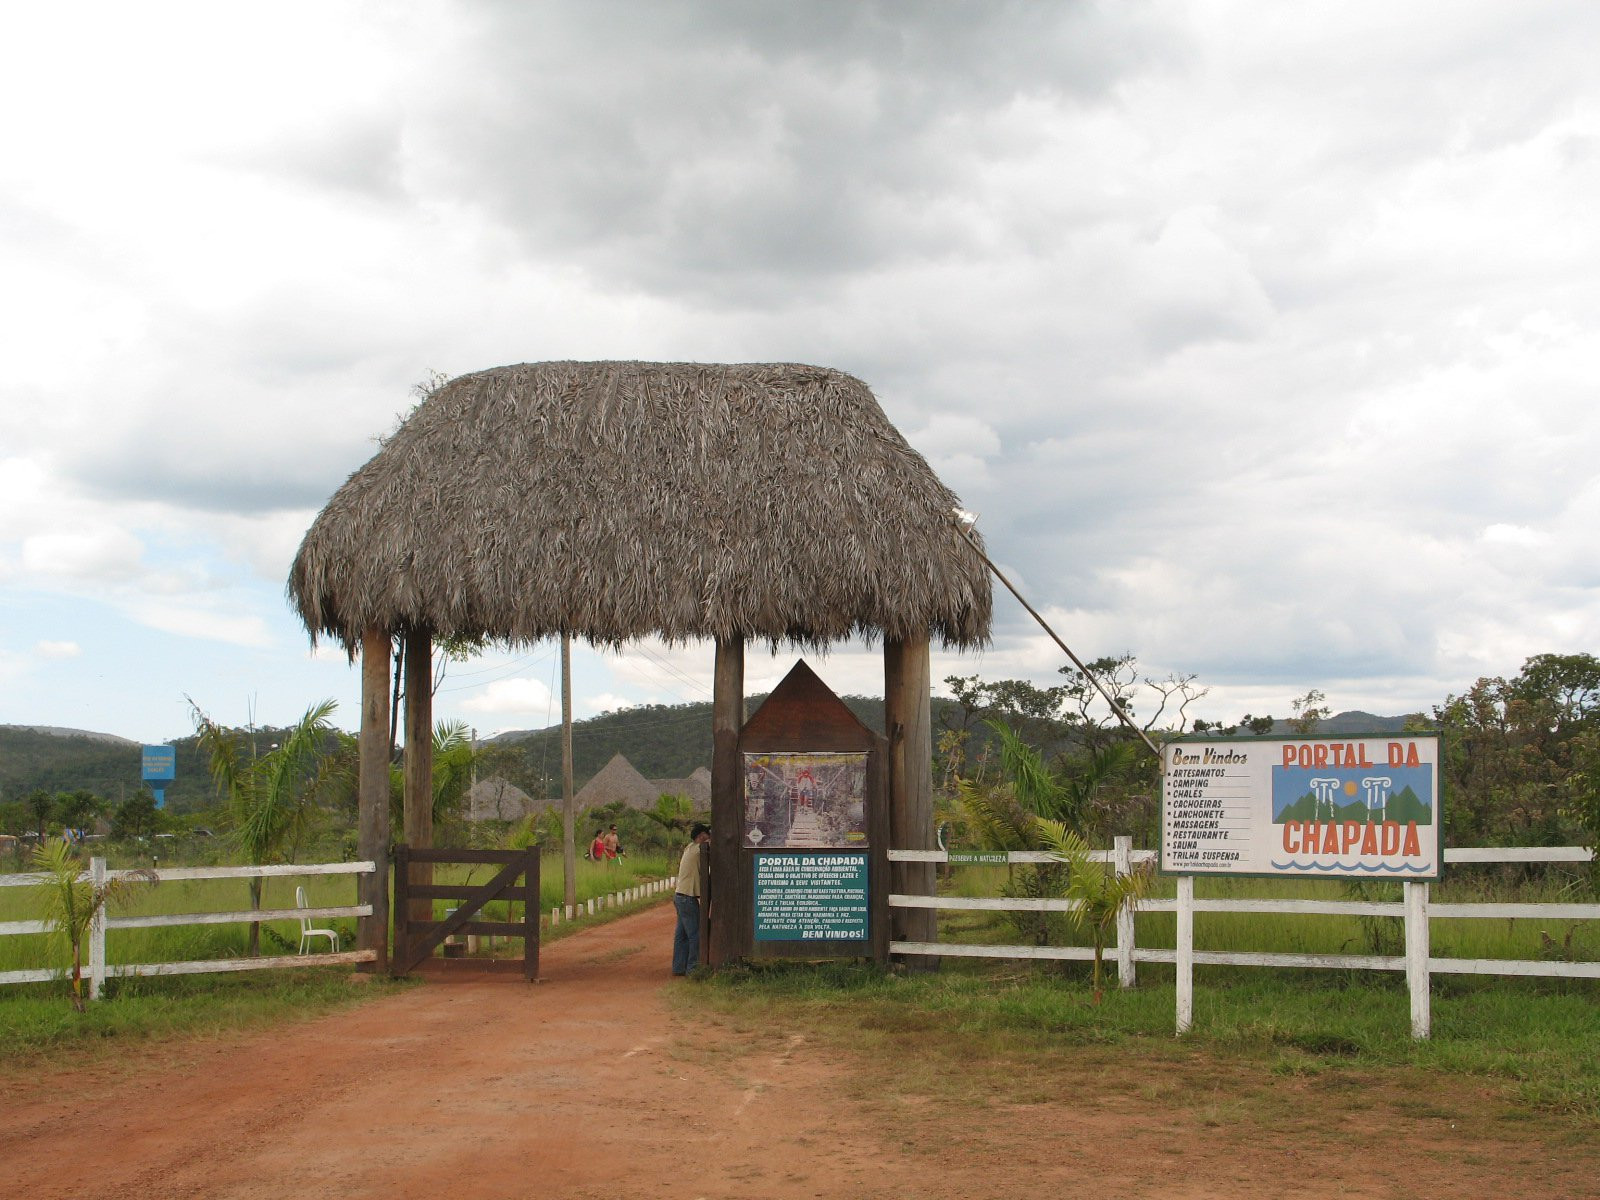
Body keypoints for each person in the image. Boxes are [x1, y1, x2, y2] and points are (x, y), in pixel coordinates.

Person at [672, 822, 711, 976]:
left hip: (679, 896)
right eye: (707, 836)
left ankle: (679, 967)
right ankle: (692, 968)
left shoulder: (689, 848)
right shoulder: (698, 850)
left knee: (681, 935)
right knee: (696, 934)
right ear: (701, 836)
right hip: (687, 898)